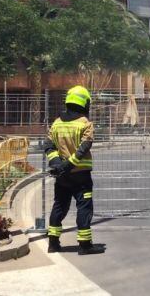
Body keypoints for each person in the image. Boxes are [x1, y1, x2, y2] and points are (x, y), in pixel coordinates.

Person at [43, 86, 105, 255]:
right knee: (84, 207)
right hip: (81, 176)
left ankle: (53, 244)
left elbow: (48, 145)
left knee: (59, 207)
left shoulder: (57, 123)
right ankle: (85, 245)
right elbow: (83, 148)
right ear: (84, 103)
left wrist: (56, 163)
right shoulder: (85, 124)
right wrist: (69, 164)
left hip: (62, 177)